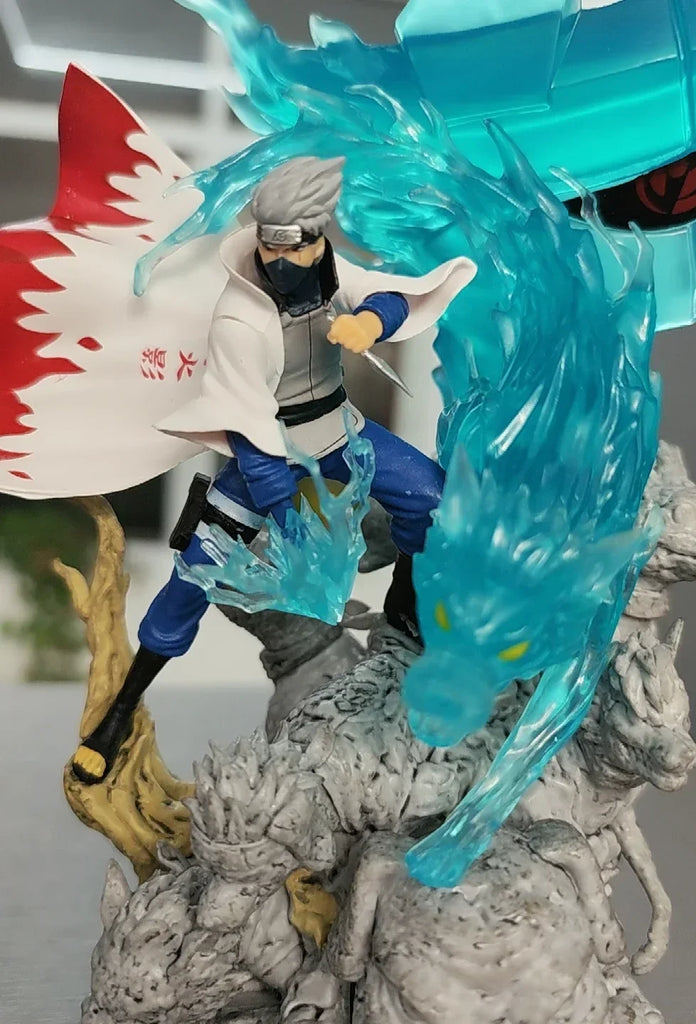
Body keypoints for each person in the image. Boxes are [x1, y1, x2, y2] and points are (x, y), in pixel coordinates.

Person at [72, 155, 476, 784]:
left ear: (319, 238)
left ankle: (406, 615)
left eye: (297, 247)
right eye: (272, 247)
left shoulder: (331, 273)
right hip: (267, 450)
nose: (283, 261)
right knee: (196, 571)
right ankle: (121, 710)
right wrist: (287, 519)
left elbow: (392, 294)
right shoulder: (239, 316)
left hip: (340, 431)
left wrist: (373, 320)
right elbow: (250, 429)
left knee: (433, 500)